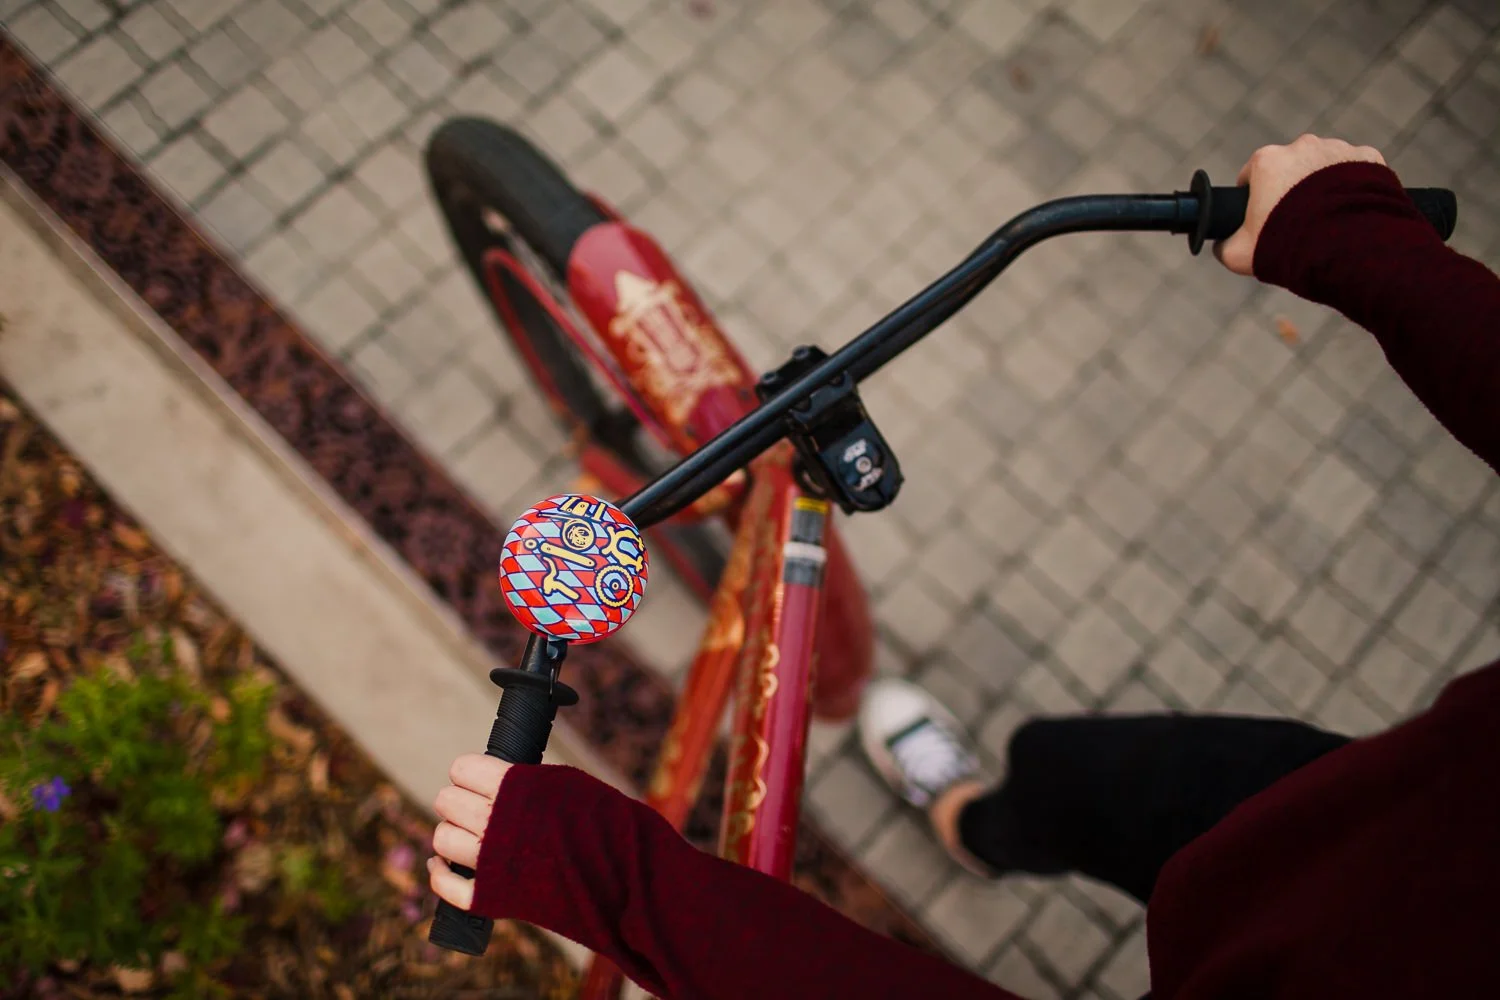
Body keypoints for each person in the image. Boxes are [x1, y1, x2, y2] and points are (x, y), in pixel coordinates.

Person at [427, 136, 1500, 999]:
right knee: (1077, 771)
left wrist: (603, 872)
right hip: (1380, 808)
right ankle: (981, 824)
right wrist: (1357, 243)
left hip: (1288, 945)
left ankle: (983, 815)